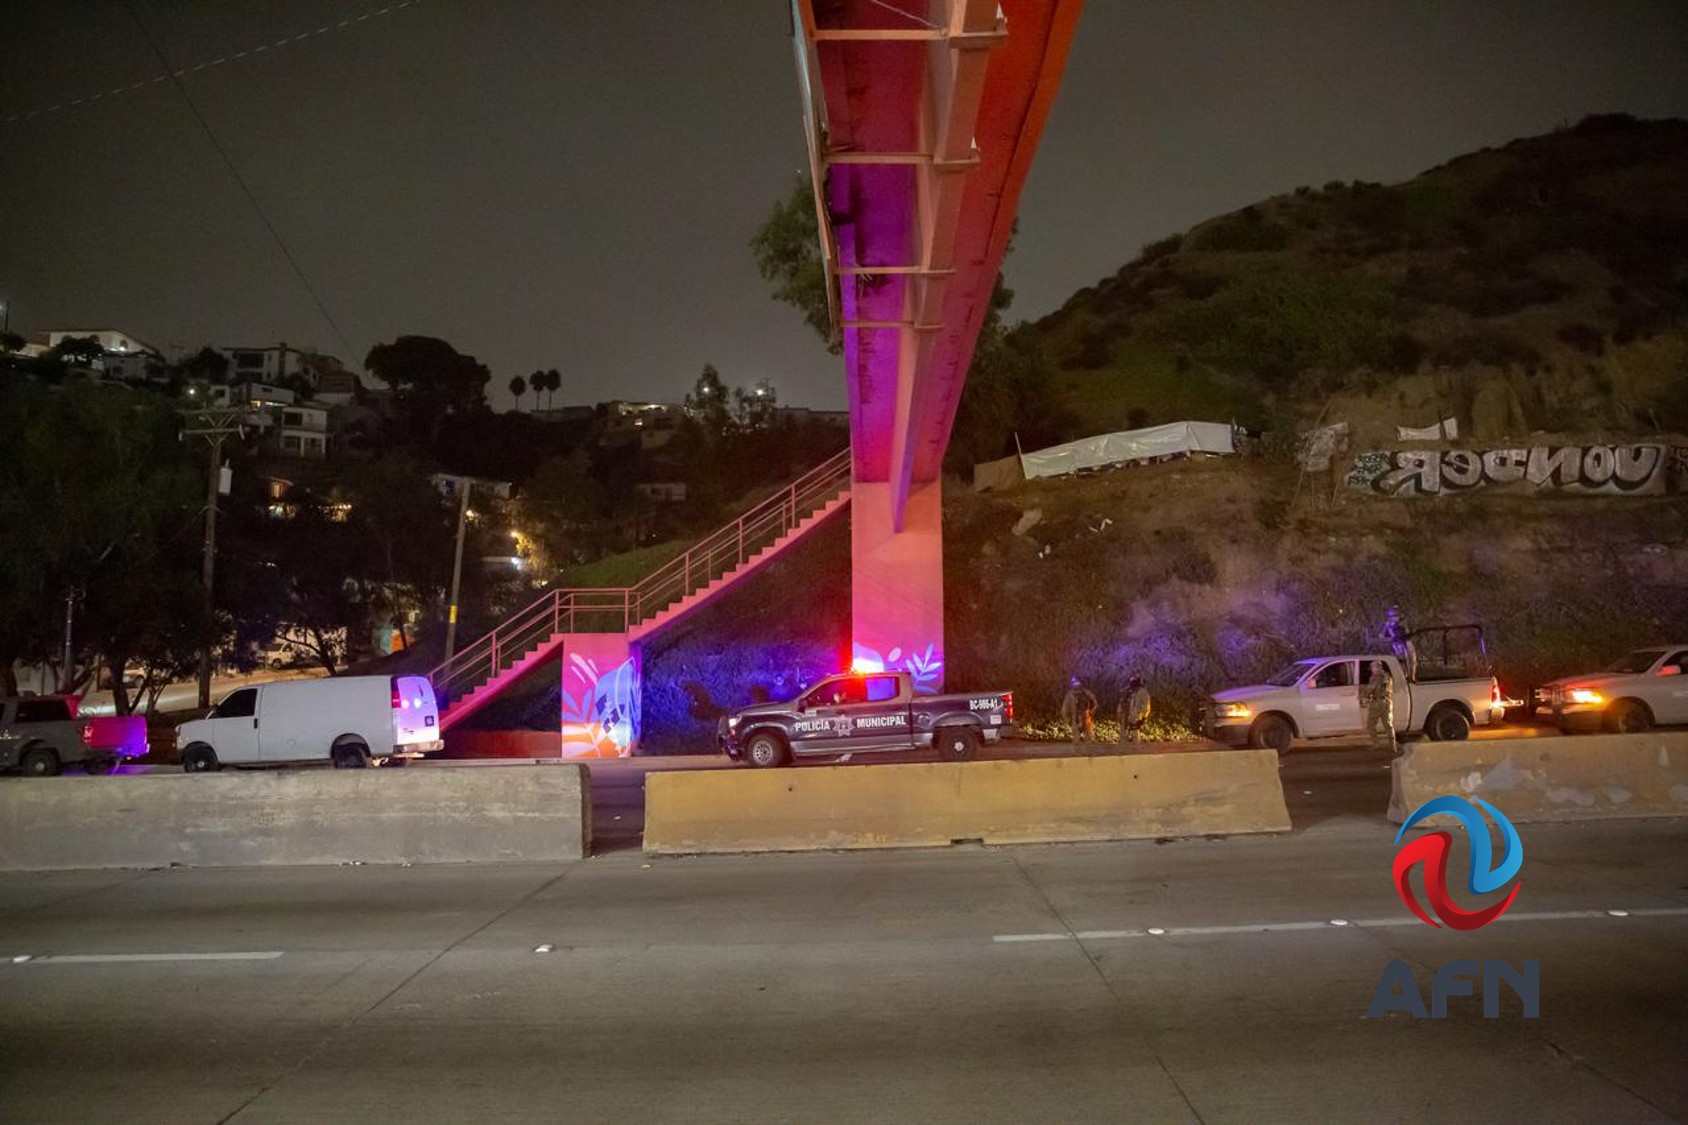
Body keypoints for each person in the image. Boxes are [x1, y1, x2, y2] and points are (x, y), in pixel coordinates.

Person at [1360, 659, 1396, 755]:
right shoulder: (1387, 676)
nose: (1372, 670)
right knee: (1388, 725)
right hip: (1387, 702)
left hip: (1377, 702)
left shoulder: (1376, 677)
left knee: (1370, 724)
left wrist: (1364, 695)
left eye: (1373, 668)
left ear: (1376, 668)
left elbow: (1370, 689)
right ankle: (1393, 746)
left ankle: (1376, 744)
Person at [1383, 606, 1418, 681]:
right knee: (1401, 660)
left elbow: (1408, 632)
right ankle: (1404, 676)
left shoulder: (1403, 623)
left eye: (1394, 616)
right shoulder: (1388, 625)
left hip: (1406, 642)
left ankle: (1412, 676)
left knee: (1411, 659)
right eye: (1390, 616)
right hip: (1397, 644)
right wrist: (1387, 628)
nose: (1392, 618)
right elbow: (1383, 635)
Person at [1060, 677, 1097, 745]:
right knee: (1086, 738)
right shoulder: (1086, 693)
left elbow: (1064, 709)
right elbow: (1095, 704)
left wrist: (1068, 720)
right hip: (1082, 718)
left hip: (1079, 718)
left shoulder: (1071, 695)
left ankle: (1080, 752)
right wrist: (1091, 713)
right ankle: (1086, 752)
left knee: (1080, 739)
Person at [1118, 674, 1151, 746]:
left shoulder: (1143, 692)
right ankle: (1122, 749)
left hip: (1135, 716)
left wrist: (1143, 718)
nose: (1132, 683)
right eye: (1131, 681)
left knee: (1135, 733)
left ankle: (1136, 750)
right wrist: (1120, 713)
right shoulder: (1127, 691)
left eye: (1134, 681)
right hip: (1125, 715)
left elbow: (1146, 706)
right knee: (1123, 733)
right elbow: (1122, 702)